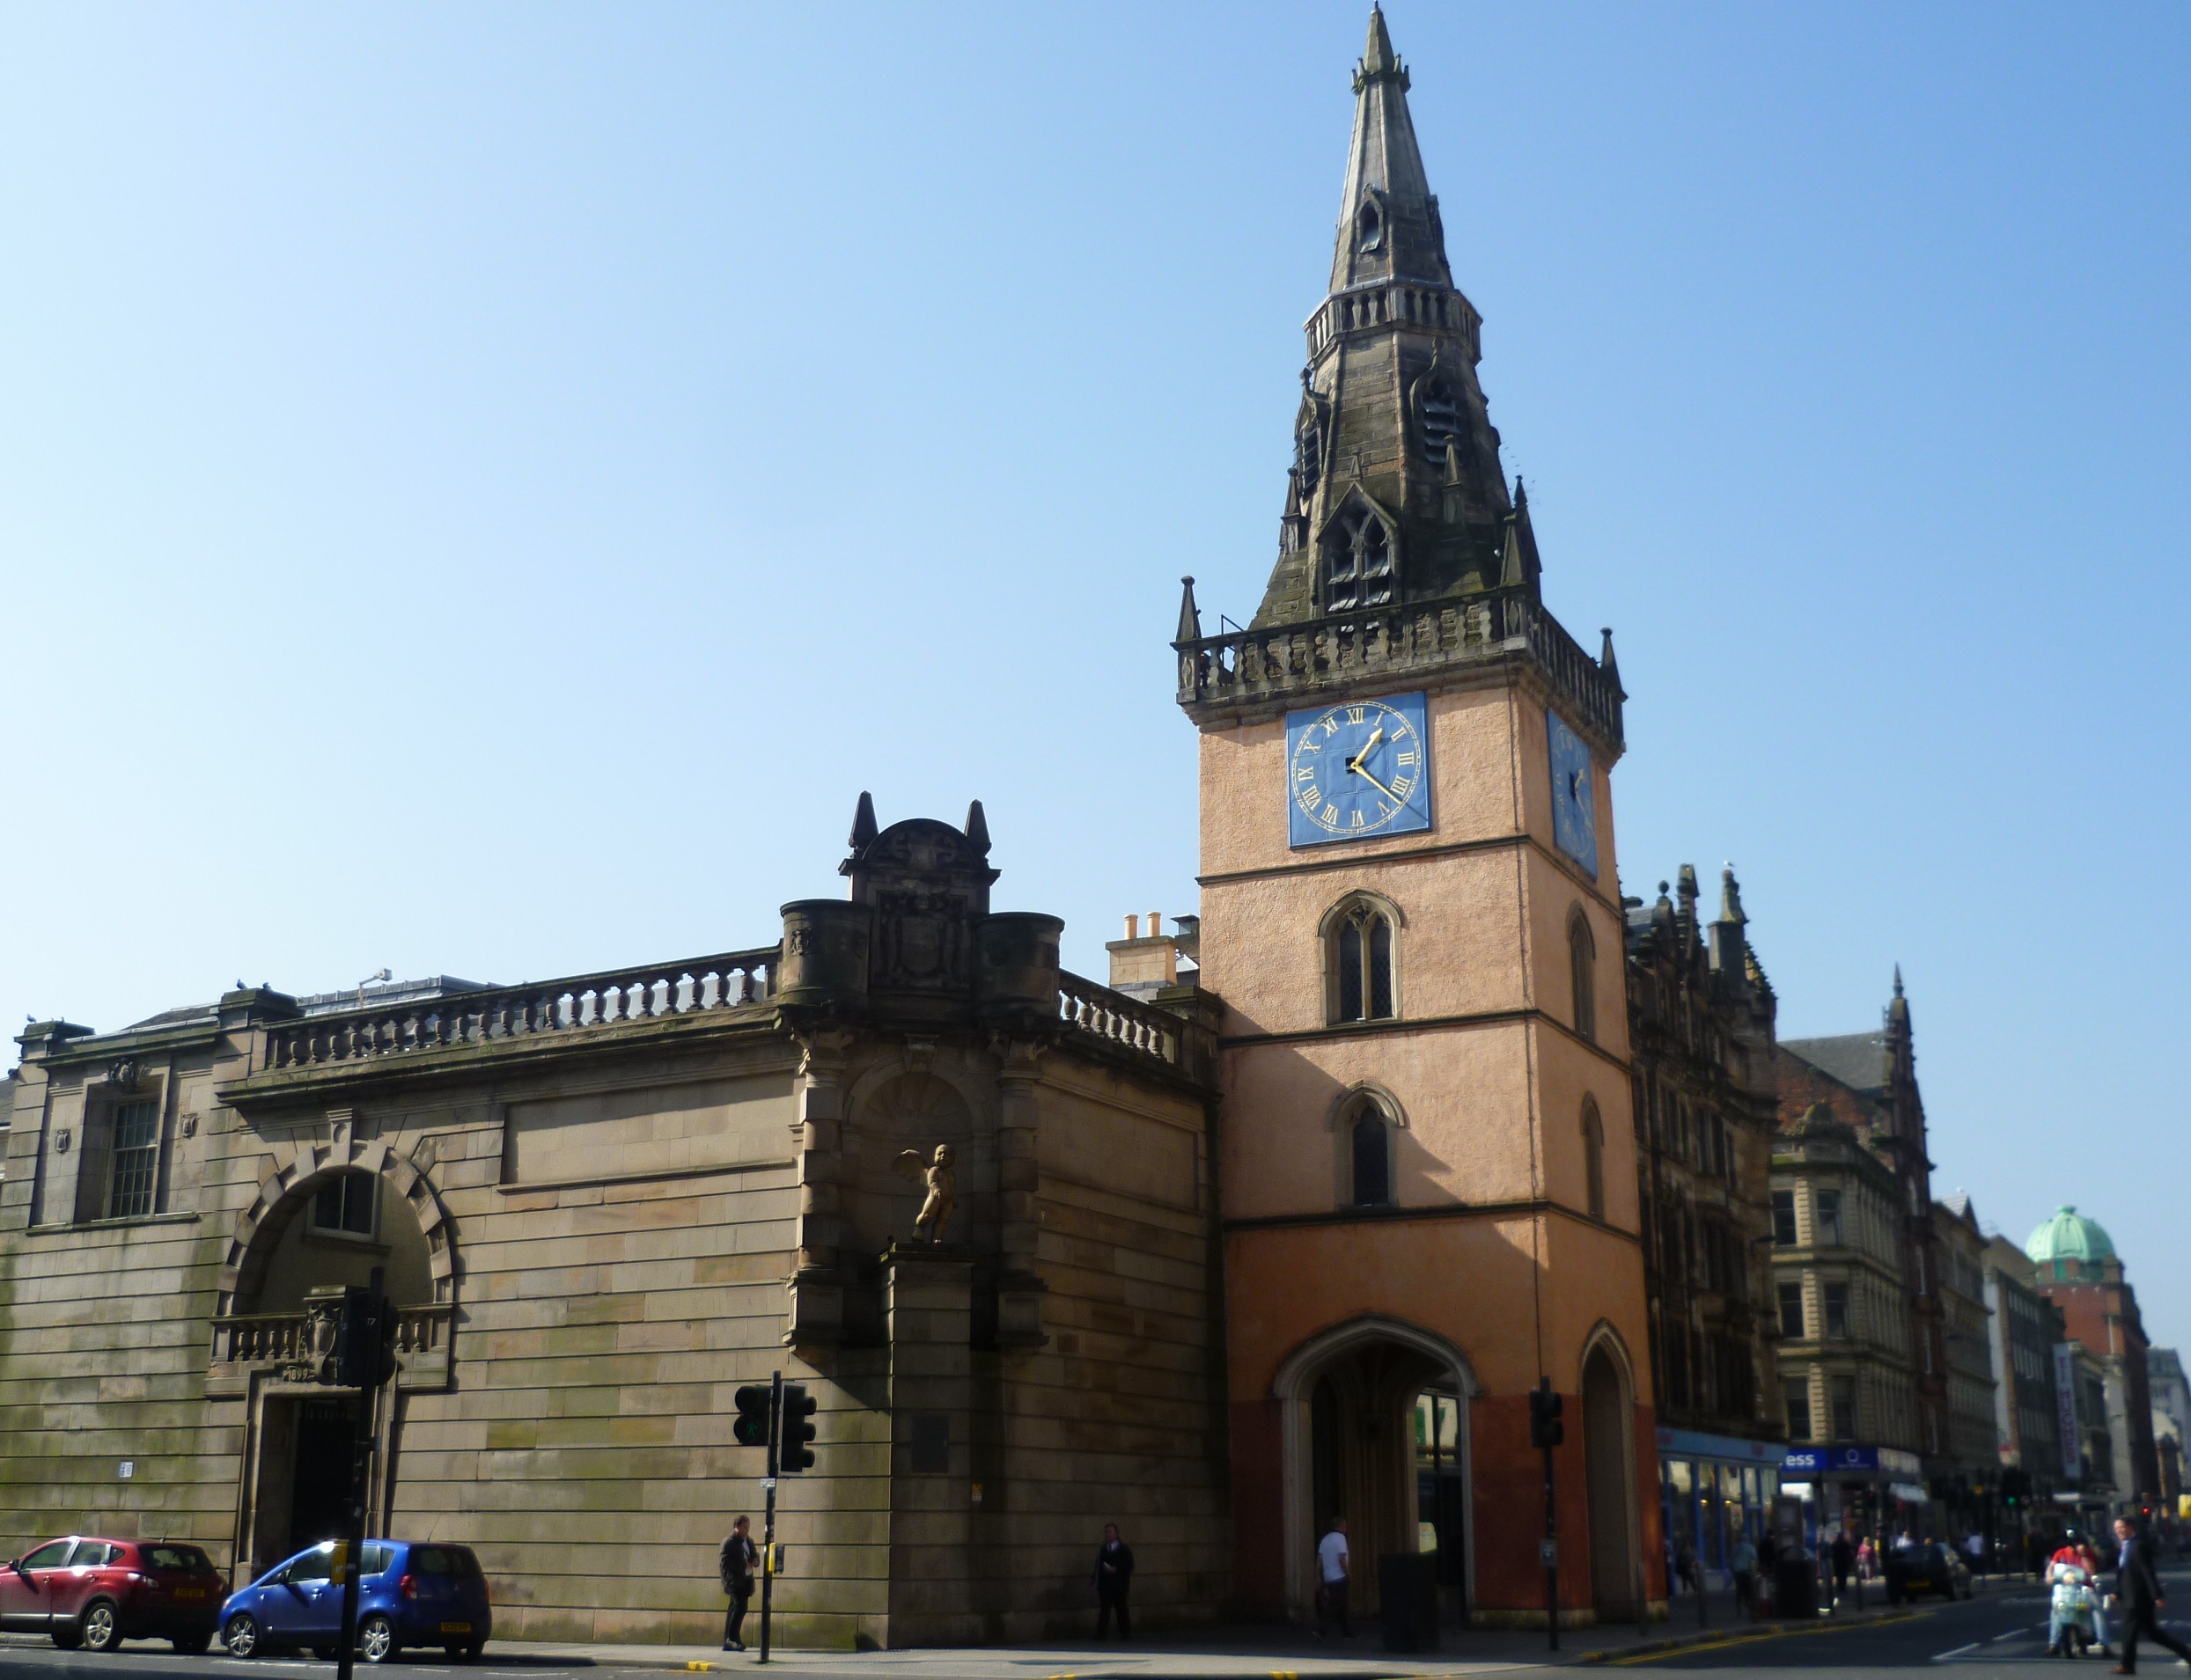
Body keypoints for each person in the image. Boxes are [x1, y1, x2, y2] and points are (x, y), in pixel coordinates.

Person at [2111, 1515, 2191, 1675]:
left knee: (2128, 1632)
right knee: (2153, 1633)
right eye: (2117, 1528)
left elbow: (2148, 1573)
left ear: (2131, 1527)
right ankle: (2187, 1654)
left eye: (2122, 1527)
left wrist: (2157, 1596)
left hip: (2138, 1598)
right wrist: (2117, 1592)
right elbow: (2125, 1573)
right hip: (2129, 1597)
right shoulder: (2125, 1547)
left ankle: (2127, 1665)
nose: (2119, 1531)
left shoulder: (2138, 1546)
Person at [719, 1516, 759, 1653]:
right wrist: (744, 1564)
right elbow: (726, 1563)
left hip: (746, 1581)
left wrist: (755, 1561)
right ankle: (732, 1638)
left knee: (737, 1609)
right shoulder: (728, 1543)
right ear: (737, 1526)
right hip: (734, 1581)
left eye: (748, 1528)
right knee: (739, 1608)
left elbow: (755, 1555)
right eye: (744, 1528)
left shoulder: (749, 1541)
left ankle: (731, 1639)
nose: (746, 1531)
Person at [1093, 1523, 1134, 1640]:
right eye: (1106, 1532)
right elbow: (1098, 1565)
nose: (1107, 1534)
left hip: (1119, 1585)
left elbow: (1130, 1565)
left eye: (1110, 1532)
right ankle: (1101, 1634)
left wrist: (1117, 1569)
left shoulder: (1123, 1549)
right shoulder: (1103, 1549)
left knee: (1121, 1609)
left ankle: (1126, 1633)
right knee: (1104, 1610)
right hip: (1105, 1585)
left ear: (1116, 1534)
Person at [1315, 1517, 1352, 1639]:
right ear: (1342, 1526)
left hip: (1328, 1576)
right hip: (1339, 1576)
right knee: (1334, 1605)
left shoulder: (1325, 1539)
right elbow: (1342, 1558)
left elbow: (1319, 1560)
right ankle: (1322, 1630)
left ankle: (1347, 1631)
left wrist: (1318, 1576)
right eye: (1345, 1526)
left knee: (1341, 1604)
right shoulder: (1341, 1539)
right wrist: (1347, 1573)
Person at [1731, 1532, 1759, 1620]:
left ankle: (1738, 1607)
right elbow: (1755, 1558)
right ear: (1747, 1539)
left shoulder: (1736, 1547)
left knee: (1739, 1589)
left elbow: (1732, 1558)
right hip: (1746, 1571)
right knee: (1748, 1590)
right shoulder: (1750, 1547)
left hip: (1737, 1571)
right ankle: (1750, 1606)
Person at [1831, 1530, 1854, 1606]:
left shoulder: (1835, 1544)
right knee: (1843, 1575)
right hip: (1844, 1562)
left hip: (1837, 1562)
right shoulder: (1845, 1544)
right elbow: (1849, 1552)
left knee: (1838, 1575)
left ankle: (1840, 1587)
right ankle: (1843, 1587)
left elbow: (1832, 1552)